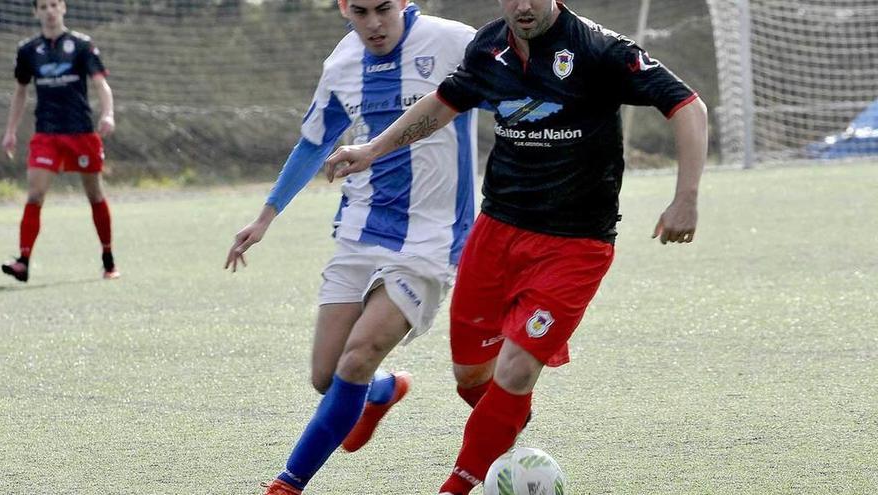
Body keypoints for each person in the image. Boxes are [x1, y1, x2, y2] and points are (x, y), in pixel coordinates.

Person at [325, 0, 709, 492]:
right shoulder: (489, 46)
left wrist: (686, 198)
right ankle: (506, 432)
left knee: (515, 368)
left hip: (575, 244)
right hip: (496, 232)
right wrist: (372, 148)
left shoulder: (599, 49)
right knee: (471, 377)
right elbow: (443, 103)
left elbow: (687, 106)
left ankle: (458, 485)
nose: (522, 5)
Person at [224, 1, 477, 493]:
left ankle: (287, 483)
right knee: (327, 375)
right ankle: (382, 393)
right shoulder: (341, 65)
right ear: (344, 9)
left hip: (430, 239)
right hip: (360, 232)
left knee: (356, 358)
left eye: (383, 8)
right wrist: (265, 217)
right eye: (360, 12)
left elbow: (509, 92)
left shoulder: (454, 43)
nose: (374, 23)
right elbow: (314, 144)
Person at [1, 0, 119, 283]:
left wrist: (108, 114)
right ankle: (23, 261)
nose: (50, 11)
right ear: (36, 12)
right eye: (43, 6)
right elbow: (20, 92)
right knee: (35, 194)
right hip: (47, 134)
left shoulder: (82, 45)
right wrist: (10, 130)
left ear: (63, 8)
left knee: (95, 195)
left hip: (81, 132)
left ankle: (108, 259)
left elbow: (101, 84)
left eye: (54, 4)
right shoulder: (28, 50)